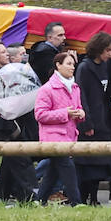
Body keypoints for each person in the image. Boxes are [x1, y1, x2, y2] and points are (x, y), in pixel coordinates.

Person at [73, 33, 111, 205]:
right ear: (99, 49)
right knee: (87, 164)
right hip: (90, 121)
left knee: (100, 165)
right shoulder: (84, 68)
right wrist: (86, 123)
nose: (110, 54)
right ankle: (83, 198)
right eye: (107, 50)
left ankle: (94, 198)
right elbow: (81, 96)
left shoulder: (106, 66)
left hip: (104, 121)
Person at [33, 51, 84, 206]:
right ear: (58, 65)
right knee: (67, 168)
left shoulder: (75, 87)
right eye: (68, 64)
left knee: (53, 171)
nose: (72, 67)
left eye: (73, 64)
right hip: (53, 138)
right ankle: (77, 202)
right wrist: (65, 113)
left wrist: (81, 114)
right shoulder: (47, 89)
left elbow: (78, 108)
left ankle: (38, 200)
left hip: (69, 136)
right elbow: (40, 114)